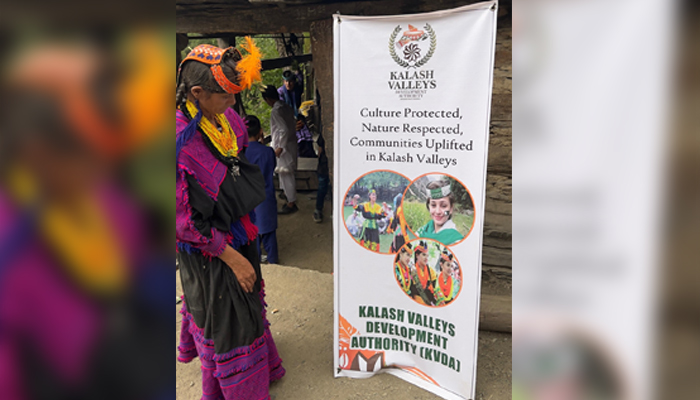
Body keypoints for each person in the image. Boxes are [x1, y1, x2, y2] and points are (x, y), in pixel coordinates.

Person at [175, 42, 285, 400]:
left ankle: (262, 369)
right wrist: (232, 257)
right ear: (196, 93)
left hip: (240, 230)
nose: (233, 105)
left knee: (249, 305)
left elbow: (233, 157)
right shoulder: (175, 142)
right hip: (209, 251)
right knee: (226, 320)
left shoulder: (223, 117)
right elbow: (182, 221)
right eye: (225, 96)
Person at [245, 115, 279, 264]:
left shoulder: (239, 153)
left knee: (252, 235)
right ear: (260, 131)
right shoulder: (268, 152)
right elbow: (272, 168)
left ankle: (256, 263)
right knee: (269, 233)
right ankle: (273, 262)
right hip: (266, 196)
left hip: (247, 198)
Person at [262, 84, 298, 214]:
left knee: (286, 173)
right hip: (291, 143)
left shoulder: (276, 111)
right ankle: (287, 193)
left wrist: (280, 147)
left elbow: (283, 129)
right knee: (286, 172)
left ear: (268, 99)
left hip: (283, 146)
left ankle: (291, 203)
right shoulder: (285, 106)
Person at [415, 179, 464, 245]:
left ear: (451, 209)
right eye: (433, 205)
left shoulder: (456, 241)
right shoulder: (422, 231)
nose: (438, 211)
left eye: (443, 206)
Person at [410, 241, 437, 306]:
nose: (426, 258)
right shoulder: (411, 270)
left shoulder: (431, 272)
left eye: (427, 255)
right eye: (423, 255)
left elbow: (434, 290)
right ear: (417, 255)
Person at [313, 127, 329, 223]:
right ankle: (318, 209)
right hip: (325, 161)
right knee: (323, 184)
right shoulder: (325, 126)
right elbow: (320, 146)